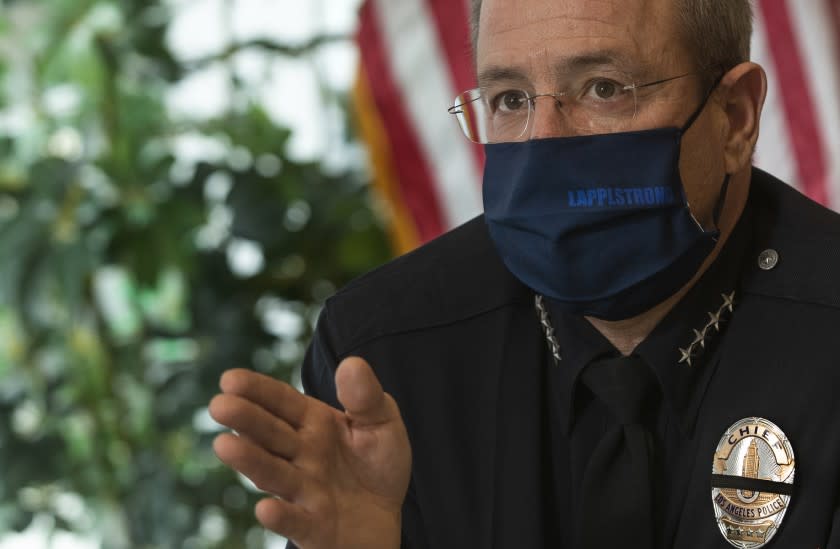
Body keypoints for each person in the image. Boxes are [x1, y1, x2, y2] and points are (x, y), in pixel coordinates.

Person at [208, 0, 840, 547]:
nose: (543, 147)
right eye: (510, 99)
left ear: (735, 117)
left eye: (603, 88)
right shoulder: (383, 355)